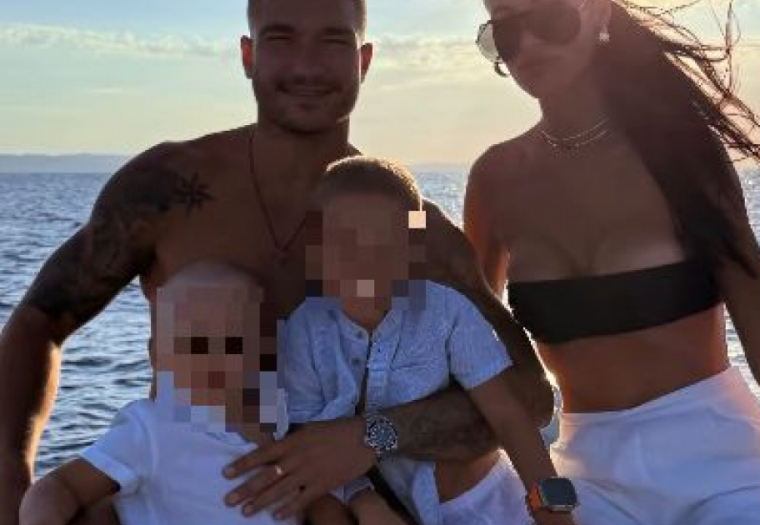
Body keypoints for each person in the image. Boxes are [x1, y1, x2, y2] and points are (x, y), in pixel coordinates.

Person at [0, 1, 553, 523]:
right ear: (248, 55)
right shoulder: (167, 189)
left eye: (332, 40)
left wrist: (369, 436)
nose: (306, 65)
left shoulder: (407, 229)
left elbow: (528, 397)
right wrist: (11, 491)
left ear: (364, 61)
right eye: (281, 39)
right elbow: (37, 323)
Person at [464, 0, 760, 524]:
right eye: (506, 32)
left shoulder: (682, 154)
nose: (529, 45)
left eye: (549, 20)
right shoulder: (496, 180)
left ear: (598, 15)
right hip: (589, 479)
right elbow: (466, 344)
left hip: (725, 468)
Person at [282, 157, 577, 525]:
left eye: (384, 242)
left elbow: (511, 420)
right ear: (316, 248)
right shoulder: (304, 331)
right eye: (345, 241)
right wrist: (363, 500)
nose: (364, 260)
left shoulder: (446, 312)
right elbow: (310, 445)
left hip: (496, 505)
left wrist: (556, 515)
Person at [19, 262, 298, 525]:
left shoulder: (284, 421)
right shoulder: (151, 429)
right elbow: (61, 486)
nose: (214, 359)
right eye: (195, 345)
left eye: (234, 343)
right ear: (157, 356)